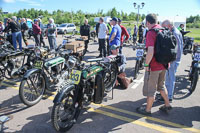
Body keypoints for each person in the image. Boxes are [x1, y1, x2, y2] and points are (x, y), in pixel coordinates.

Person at [136, 14, 172, 115]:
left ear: (148, 22)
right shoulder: (164, 29)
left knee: (151, 90)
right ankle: (167, 105)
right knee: (161, 86)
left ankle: (147, 110)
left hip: (155, 66)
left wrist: (146, 65)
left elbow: (150, 52)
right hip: (164, 64)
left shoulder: (151, 33)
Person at [159, 20, 183, 102]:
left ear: (169, 26)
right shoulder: (174, 31)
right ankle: (166, 93)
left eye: (164, 27)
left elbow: (177, 49)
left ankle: (169, 96)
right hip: (173, 59)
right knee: (168, 77)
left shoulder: (175, 33)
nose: (163, 29)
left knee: (170, 78)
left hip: (173, 59)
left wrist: (172, 59)